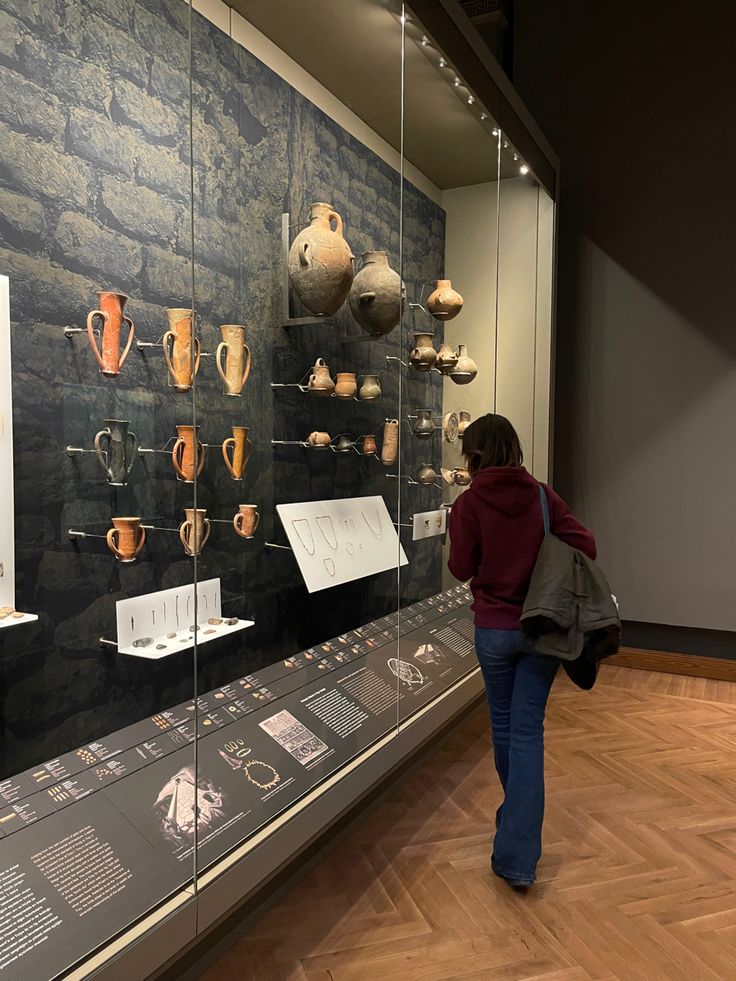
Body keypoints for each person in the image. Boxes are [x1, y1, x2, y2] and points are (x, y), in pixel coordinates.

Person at [448, 413, 596, 888]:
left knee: (505, 731)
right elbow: (586, 546)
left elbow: (459, 568)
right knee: (527, 733)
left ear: (473, 455)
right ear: (513, 448)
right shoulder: (541, 496)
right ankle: (517, 853)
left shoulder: (468, 504)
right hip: (541, 630)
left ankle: (513, 841)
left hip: (493, 630)